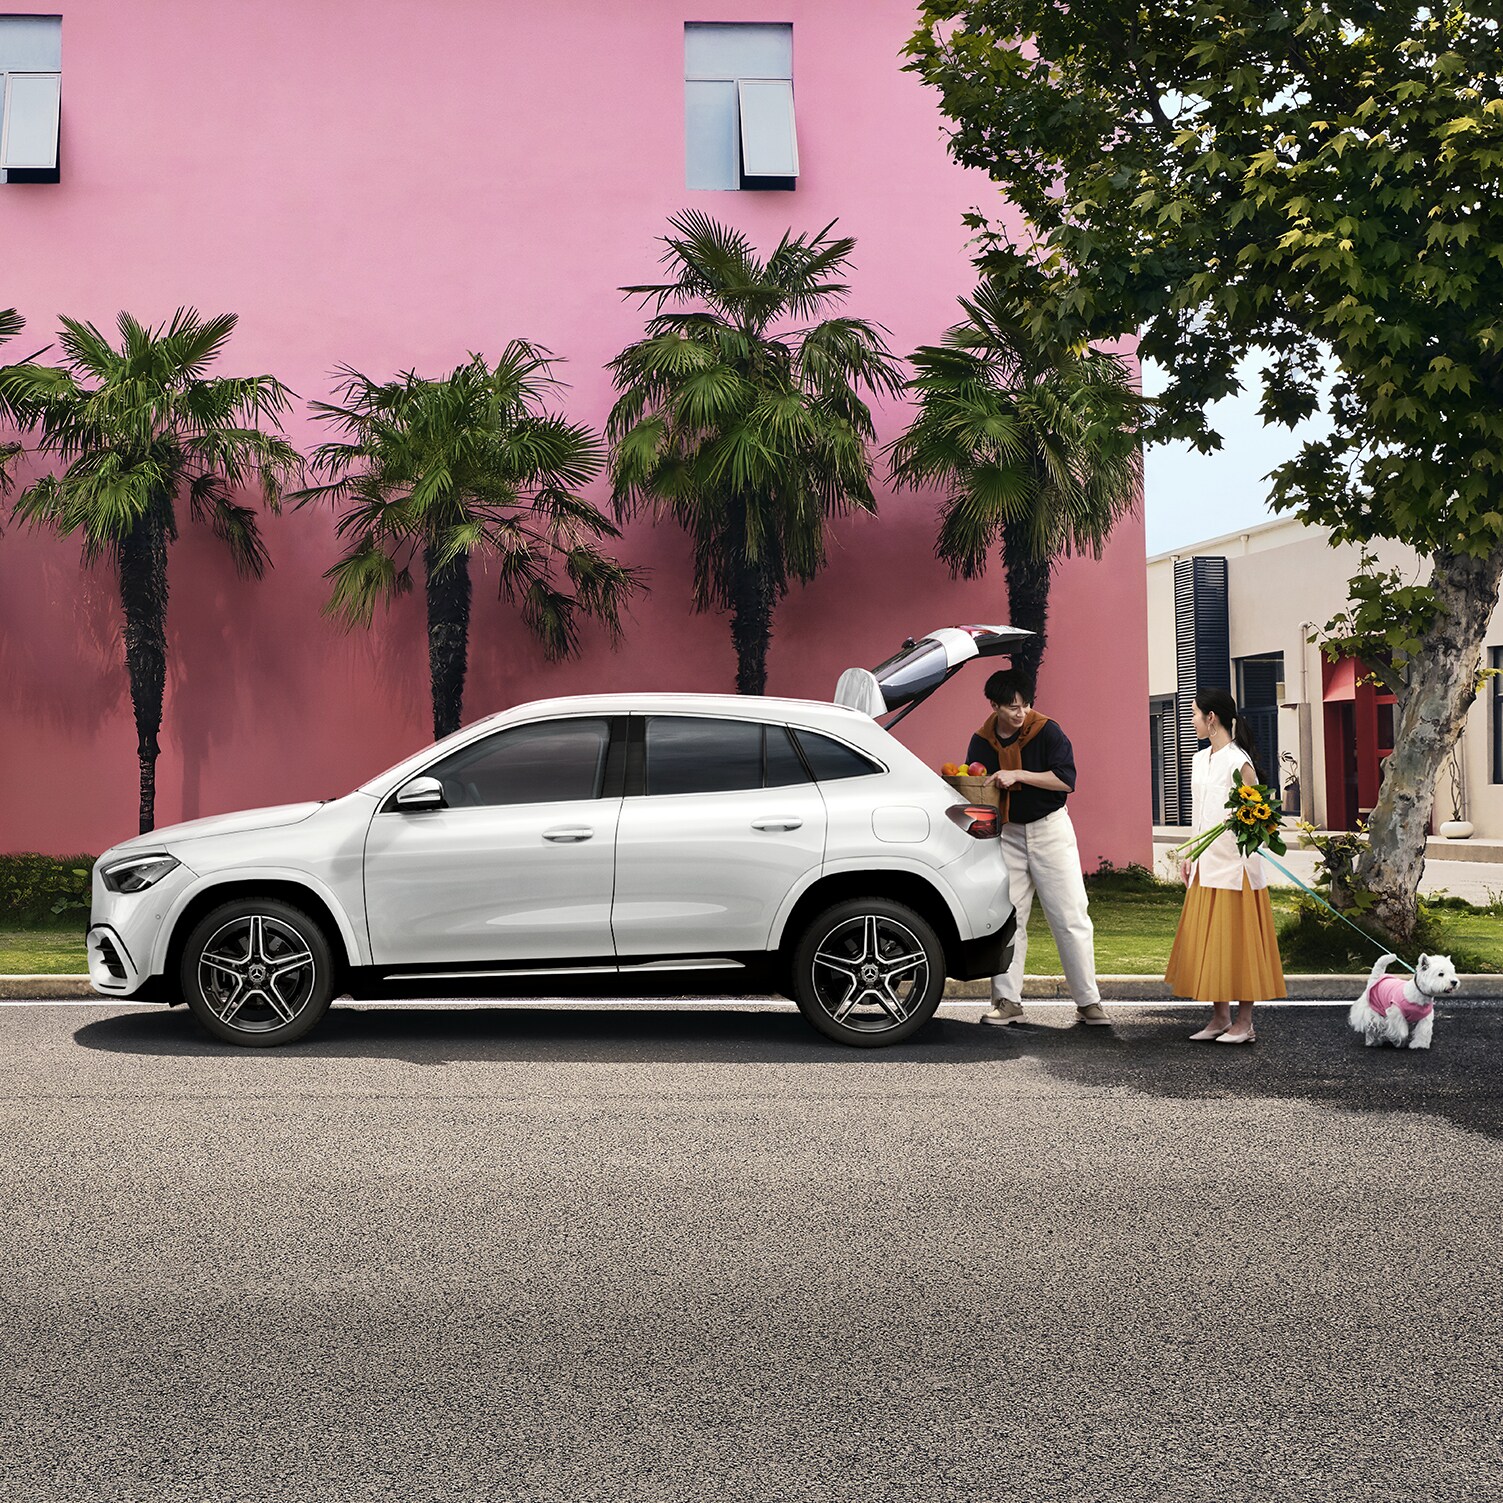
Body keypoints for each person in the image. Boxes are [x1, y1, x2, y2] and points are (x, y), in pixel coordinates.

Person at [968, 668, 1108, 1028]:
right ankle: (1007, 1000)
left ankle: (1089, 1002)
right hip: (1008, 835)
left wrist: (1019, 775)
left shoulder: (1047, 731)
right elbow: (973, 785)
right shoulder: (982, 741)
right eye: (1012, 707)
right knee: (1009, 920)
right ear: (995, 705)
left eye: (1025, 705)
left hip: (1051, 830)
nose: (1021, 713)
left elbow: (1065, 779)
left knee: (1070, 917)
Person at [1165, 688, 1287, 1043]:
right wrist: (1189, 855)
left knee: (1240, 943)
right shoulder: (1199, 759)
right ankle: (1219, 1018)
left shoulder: (1240, 762)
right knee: (1212, 942)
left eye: (1194, 715)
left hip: (1236, 869)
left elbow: (1260, 820)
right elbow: (1198, 814)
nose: (1192, 721)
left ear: (1211, 719)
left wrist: (1246, 830)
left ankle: (1245, 1022)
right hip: (1205, 865)